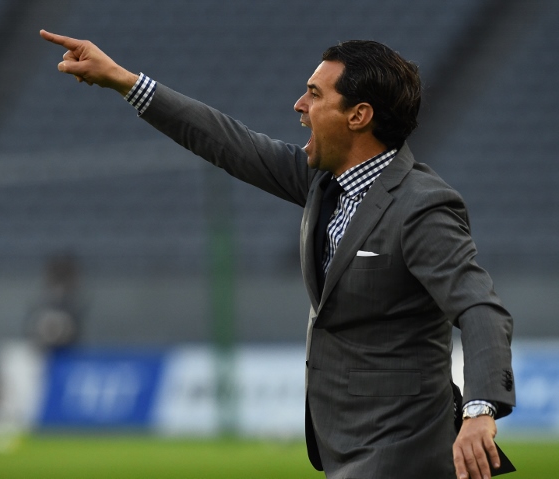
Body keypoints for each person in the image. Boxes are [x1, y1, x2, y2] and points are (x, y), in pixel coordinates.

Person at [40, 29, 516, 479]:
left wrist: (480, 411)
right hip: (346, 442)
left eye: (314, 94)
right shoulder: (324, 184)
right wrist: (124, 81)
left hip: (404, 446)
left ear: (358, 115)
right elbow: (229, 142)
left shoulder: (421, 206)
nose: (299, 105)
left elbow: (480, 307)